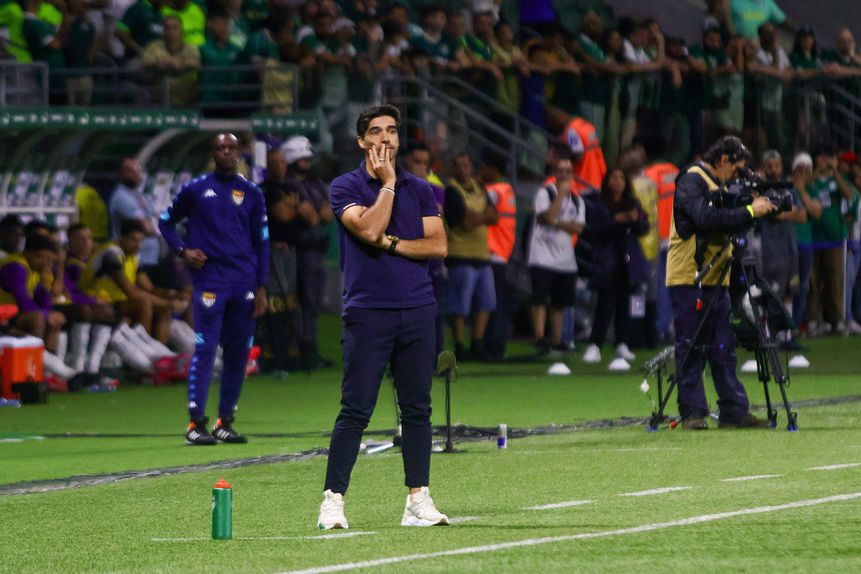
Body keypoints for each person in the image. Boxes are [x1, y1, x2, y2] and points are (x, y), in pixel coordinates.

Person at [318, 104, 449, 530]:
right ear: (362, 141)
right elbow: (370, 230)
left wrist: (395, 245)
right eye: (376, 132)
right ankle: (333, 502)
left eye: (392, 131)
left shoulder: (422, 188)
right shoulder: (345, 186)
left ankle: (418, 500)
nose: (386, 139)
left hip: (417, 308)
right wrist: (388, 186)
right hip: (368, 311)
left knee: (417, 409)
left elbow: (438, 246)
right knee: (355, 409)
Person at [159, 133, 269, 445]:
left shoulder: (252, 193)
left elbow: (262, 240)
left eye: (231, 147)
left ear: (239, 153)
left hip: (244, 282)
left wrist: (262, 285)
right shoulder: (195, 189)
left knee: (238, 352)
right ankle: (195, 422)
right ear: (213, 154)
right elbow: (166, 222)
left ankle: (225, 421)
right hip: (210, 281)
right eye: (220, 148)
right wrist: (183, 251)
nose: (226, 152)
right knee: (205, 349)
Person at [666, 136, 776, 429]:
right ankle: (692, 413)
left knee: (723, 347)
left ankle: (734, 410)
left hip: (718, 277)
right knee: (691, 344)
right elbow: (705, 217)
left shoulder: (721, 185)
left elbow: (729, 220)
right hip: (689, 276)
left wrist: (753, 207)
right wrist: (750, 210)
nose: (738, 175)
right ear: (723, 160)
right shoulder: (692, 180)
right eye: (737, 168)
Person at [581, 167, 648, 368]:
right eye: (614, 178)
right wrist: (616, 221)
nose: (618, 182)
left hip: (628, 261)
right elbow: (595, 231)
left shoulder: (633, 204)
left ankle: (622, 343)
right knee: (604, 304)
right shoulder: (599, 204)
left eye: (621, 178)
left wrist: (635, 221)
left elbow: (644, 228)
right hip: (607, 260)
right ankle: (595, 344)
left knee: (625, 304)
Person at [281, 135, 334, 369]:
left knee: (313, 302)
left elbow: (327, 213)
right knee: (300, 302)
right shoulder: (288, 184)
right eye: (302, 157)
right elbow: (312, 217)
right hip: (298, 250)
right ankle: (300, 350)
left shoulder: (315, 183)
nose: (306, 160)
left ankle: (310, 349)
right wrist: (315, 214)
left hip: (316, 249)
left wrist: (316, 214)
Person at [527, 154, 586, 355]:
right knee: (540, 299)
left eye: (568, 171)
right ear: (554, 173)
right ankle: (540, 338)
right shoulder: (545, 193)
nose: (564, 175)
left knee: (560, 303)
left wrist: (557, 223)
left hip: (565, 259)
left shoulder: (578, 200)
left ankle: (557, 340)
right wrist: (560, 195)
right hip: (542, 256)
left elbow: (578, 228)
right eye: (560, 171)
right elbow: (547, 216)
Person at [444, 151, 497, 360]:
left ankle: (477, 343)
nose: (464, 169)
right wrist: (484, 217)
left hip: (482, 255)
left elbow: (495, 216)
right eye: (459, 165)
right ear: (454, 169)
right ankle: (459, 345)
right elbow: (465, 222)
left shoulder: (480, 187)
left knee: (487, 301)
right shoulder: (452, 191)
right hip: (460, 254)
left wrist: (479, 217)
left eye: (467, 164)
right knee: (460, 303)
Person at [756, 150, 807, 349]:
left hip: (790, 249)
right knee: (772, 293)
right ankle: (770, 336)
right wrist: (788, 211)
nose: (774, 169)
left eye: (776, 165)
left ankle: (786, 337)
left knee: (789, 292)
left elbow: (803, 216)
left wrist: (782, 210)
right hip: (772, 251)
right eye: (769, 166)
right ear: (764, 167)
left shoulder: (789, 189)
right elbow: (774, 213)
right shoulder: (763, 190)